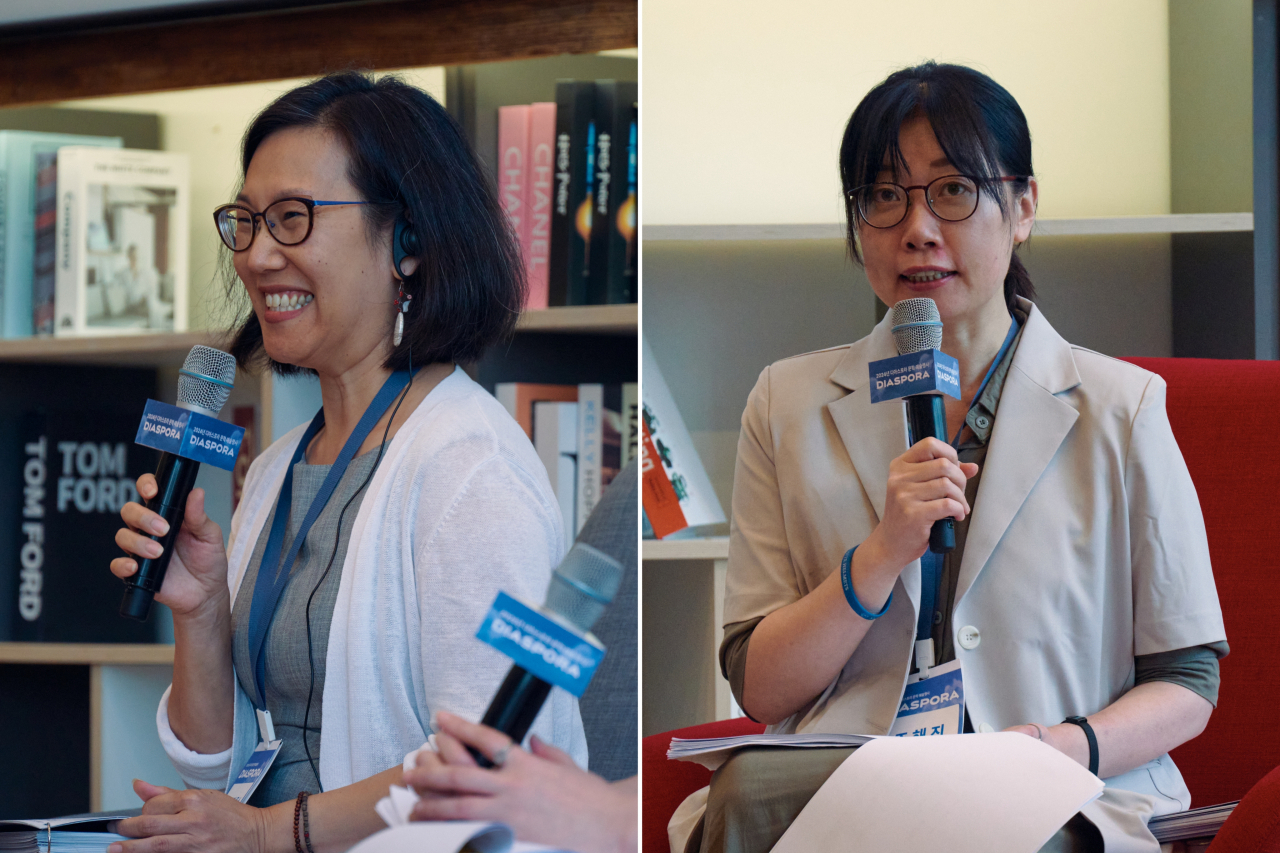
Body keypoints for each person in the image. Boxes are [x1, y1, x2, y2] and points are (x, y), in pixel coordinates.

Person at [670, 62, 1227, 853]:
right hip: (856, 764)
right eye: (885, 197)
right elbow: (761, 688)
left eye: (954, 190)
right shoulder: (784, 402)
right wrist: (879, 554)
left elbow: (1188, 679)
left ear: (1024, 206)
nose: (918, 228)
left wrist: (1061, 747)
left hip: (1055, 776)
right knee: (748, 798)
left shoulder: (1122, 407)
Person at [108, 71, 584, 853]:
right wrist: (198, 613)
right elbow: (217, 760)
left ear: (408, 241)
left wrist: (266, 832)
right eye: (247, 221)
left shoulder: (470, 469)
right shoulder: (278, 467)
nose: (258, 255)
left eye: (293, 219)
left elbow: (491, 762)